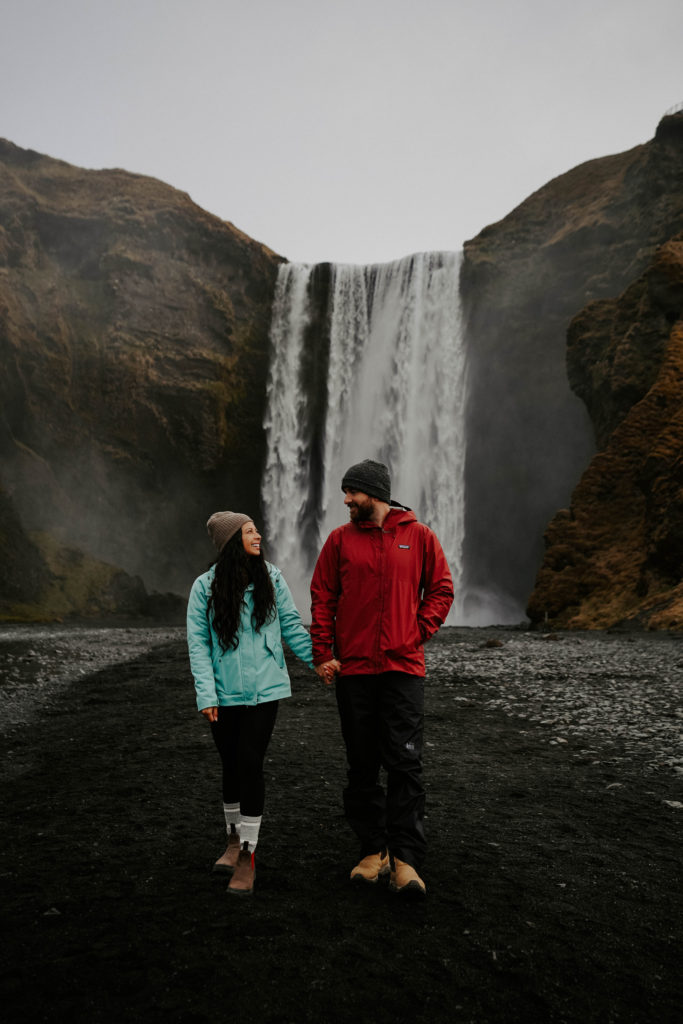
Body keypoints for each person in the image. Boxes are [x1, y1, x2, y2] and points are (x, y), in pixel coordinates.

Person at [310, 459, 454, 897]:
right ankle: (373, 851)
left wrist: (417, 631)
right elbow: (322, 597)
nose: (347, 500)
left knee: (406, 763)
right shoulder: (338, 541)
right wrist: (323, 652)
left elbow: (442, 589)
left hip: (402, 670)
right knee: (361, 764)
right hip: (354, 670)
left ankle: (407, 860)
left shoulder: (420, 536)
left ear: (375, 493)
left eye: (352, 492)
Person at [187, 511, 337, 896]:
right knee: (231, 765)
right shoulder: (204, 588)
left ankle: (247, 857)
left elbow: (290, 625)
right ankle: (233, 839)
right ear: (231, 540)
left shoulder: (271, 578)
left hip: (265, 692)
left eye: (256, 529)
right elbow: (198, 646)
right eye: (250, 531)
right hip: (223, 694)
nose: (259, 535)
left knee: (250, 764)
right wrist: (206, 694)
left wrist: (319, 660)